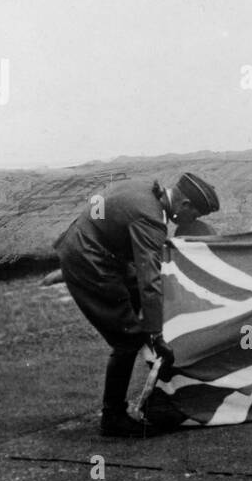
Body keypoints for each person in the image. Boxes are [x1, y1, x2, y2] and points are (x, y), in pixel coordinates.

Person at [54, 172, 220, 436]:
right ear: (185, 205)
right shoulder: (151, 218)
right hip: (91, 262)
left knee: (133, 312)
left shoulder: (143, 189)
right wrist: (156, 334)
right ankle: (113, 417)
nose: (193, 221)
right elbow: (149, 281)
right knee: (128, 338)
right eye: (196, 215)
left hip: (86, 250)